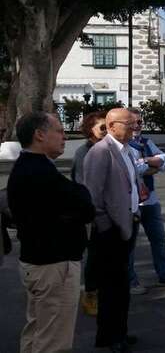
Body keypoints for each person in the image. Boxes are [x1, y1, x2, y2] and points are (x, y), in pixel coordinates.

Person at [8, 111, 95, 353]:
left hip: (39, 262)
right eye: (59, 130)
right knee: (53, 340)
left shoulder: (29, 167)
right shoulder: (39, 173)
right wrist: (80, 200)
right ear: (39, 135)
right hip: (54, 264)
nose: (64, 137)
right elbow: (84, 205)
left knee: (37, 330)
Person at [83, 108, 142, 351]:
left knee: (121, 285)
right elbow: (93, 198)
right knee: (110, 288)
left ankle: (121, 331)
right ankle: (109, 337)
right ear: (111, 125)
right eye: (128, 124)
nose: (134, 127)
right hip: (110, 230)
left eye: (135, 123)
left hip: (128, 223)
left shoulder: (127, 150)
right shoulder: (100, 152)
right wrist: (107, 227)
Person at [127, 108, 165, 295]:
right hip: (131, 202)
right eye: (133, 122)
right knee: (129, 244)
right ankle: (131, 280)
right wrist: (151, 166)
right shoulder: (122, 145)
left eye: (140, 122)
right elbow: (133, 170)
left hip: (150, 201)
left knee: (158, 240)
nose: (137, 126)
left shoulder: (146, 142)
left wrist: (145, 161)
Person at [71, 111, 107, 317]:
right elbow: (85, 186)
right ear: (89, 131)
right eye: (101, 127)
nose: (106, 131)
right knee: (94, 257)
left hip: (109, 213)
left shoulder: (109, 149)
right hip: (92, 214)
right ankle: (91, 293)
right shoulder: (84, 152)